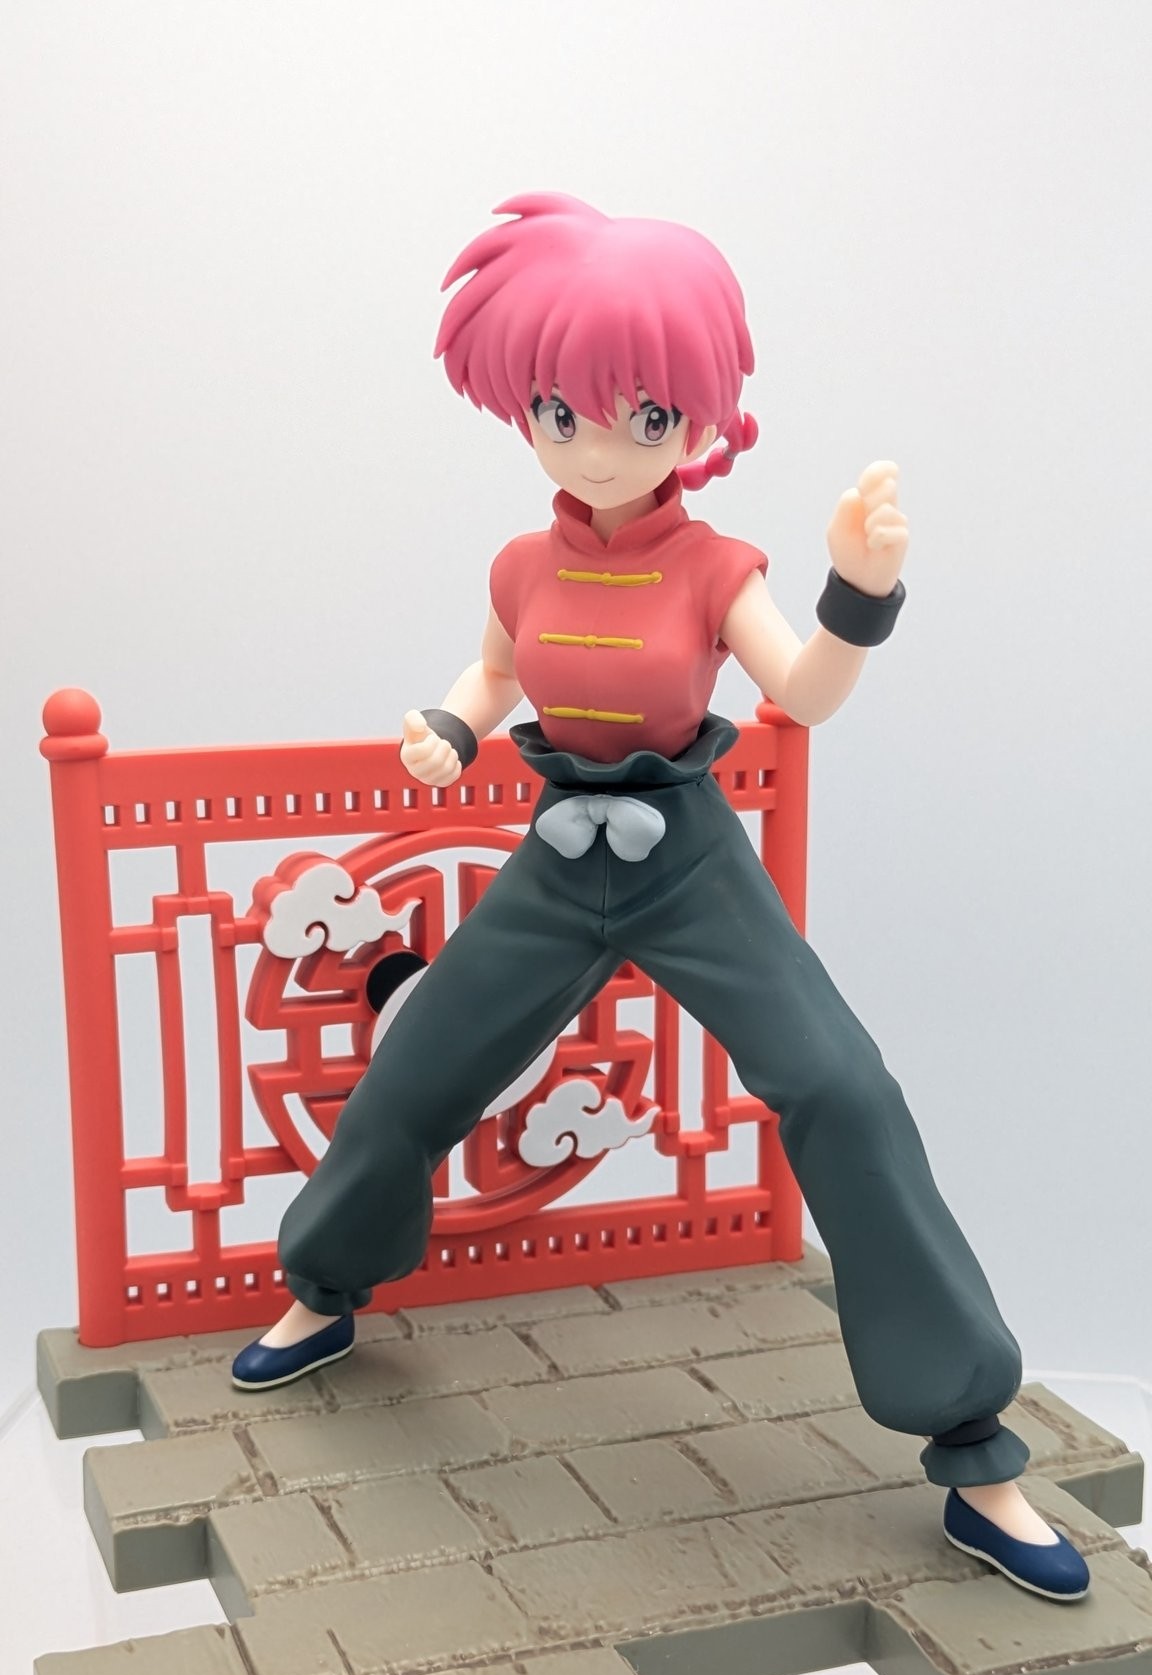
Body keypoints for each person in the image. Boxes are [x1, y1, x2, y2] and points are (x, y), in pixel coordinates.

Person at [232, 192, 1089, 1601]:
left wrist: (857, 595)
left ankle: (975, 1451)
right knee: (421, 1062)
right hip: (556, 853)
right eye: (559, 410)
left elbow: (802, 691)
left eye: (642, 415)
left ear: (700, 419)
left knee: (843, 1088)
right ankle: (324, 1288)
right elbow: (492, 674)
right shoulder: (521, 564)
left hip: (685, 855)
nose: (596, 446)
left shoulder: (712, 566)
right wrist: (449, 728)